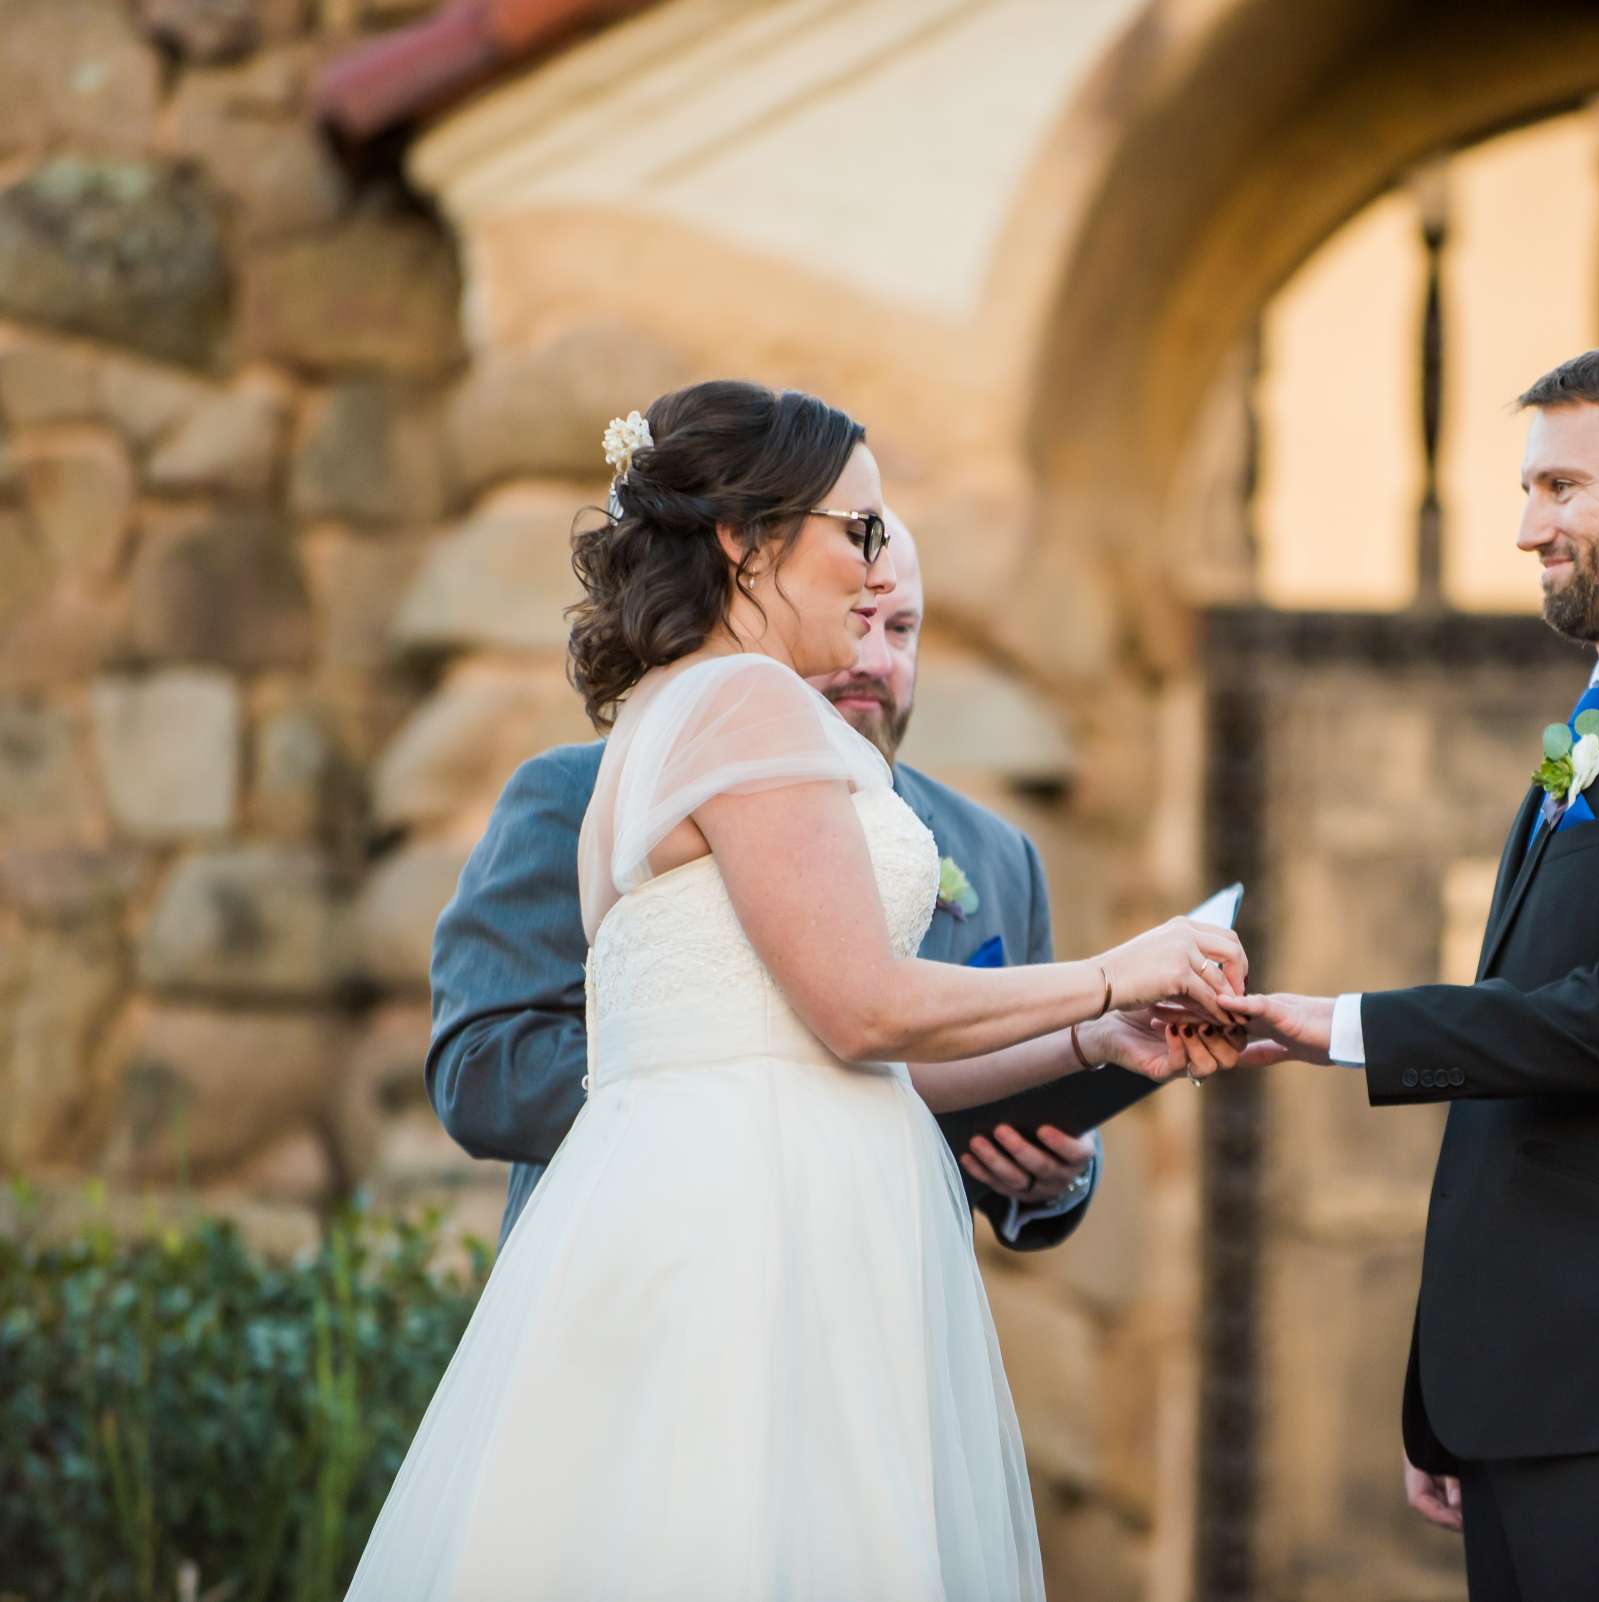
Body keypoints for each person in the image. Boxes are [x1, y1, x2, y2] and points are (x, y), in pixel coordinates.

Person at [347, 381, 1246, 1601]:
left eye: (894, 579)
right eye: (858, 532)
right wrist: (1109, 972)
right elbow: (863, 1013)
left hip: (770, 1231)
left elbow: (860, 1052)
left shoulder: (678, 706)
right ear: (744, 540)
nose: (874, 581)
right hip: (750, 1240)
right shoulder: (747, 703)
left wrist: (1104, 1035)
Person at [1231, 342, 1599, 1601]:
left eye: (1560, 488)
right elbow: (1524, 1100)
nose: (1526, 529)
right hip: (1537, 1396)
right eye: (1527, 492)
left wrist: (1345, 1025)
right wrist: (1453, 1397)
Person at [424, 516, 1168, 1251]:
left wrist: (1061, 1174)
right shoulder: (583, 796)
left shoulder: (996, 852)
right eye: (861, 618)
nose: (875, 659)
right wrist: (717, 1083)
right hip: (653, 1258)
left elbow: (1014, 1067)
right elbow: (481, 1069)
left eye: (904, 630)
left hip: (880, 1294)